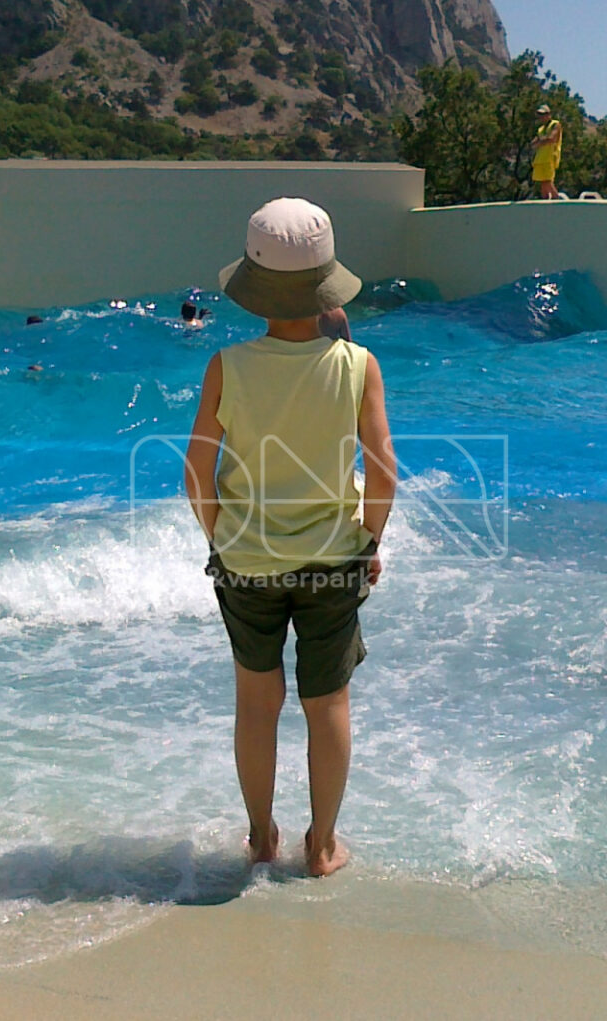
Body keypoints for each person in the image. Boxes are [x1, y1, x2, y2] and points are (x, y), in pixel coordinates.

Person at [183, 197, 395, 878]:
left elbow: (197, 472)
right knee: (326, 702)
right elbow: (383, 473)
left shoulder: (227, 365)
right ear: (326, 283)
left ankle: (260, 837)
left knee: (256, 702)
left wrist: (223, 537)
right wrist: (368, 543)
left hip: (247, 563)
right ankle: (321, 846)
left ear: (256, 286)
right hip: (332, 562)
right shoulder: (358, 365)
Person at [531, 103, 562, 200]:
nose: (542, 117)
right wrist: (540, 141)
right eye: (540, 115)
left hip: (550, 157)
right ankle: (545, 200)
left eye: (543, 114)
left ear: (549, 114)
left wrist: (541, 141)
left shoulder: (555, 125)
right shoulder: (541, 129)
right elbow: (534, 143)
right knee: (542, 182)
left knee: (548, 181)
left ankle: (556, 199)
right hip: (540, 158)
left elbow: (552, 138)